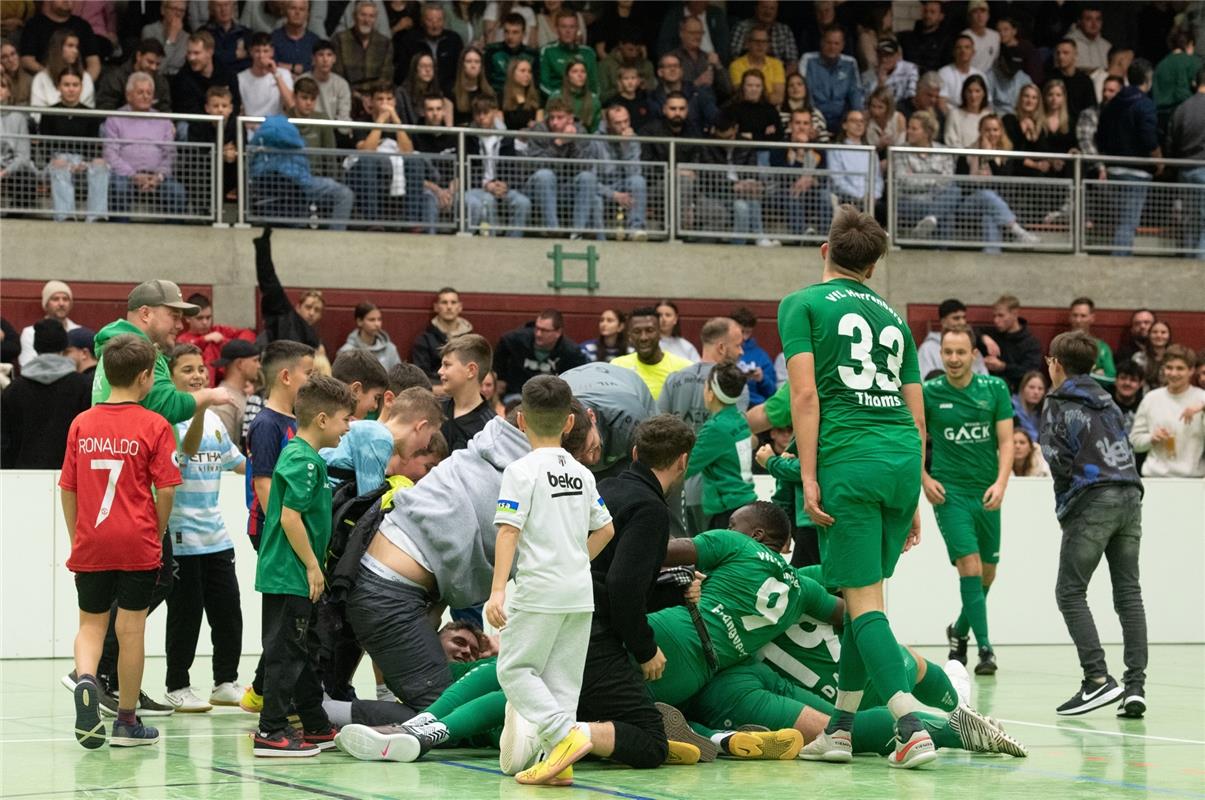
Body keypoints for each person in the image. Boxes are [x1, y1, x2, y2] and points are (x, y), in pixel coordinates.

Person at [779, 205, 935, 768]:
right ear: (872, 266)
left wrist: (810, 475)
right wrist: (913, 490)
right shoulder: (895, 319)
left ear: (826, 251)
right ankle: (839, 731)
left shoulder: (802, 304)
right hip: (899, 460)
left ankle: (910, 725)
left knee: (865, 606)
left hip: (851, 457)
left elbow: (804, 397)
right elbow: (918, 417)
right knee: (863, 602)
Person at [485, 375, 614, 785]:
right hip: (579, 592)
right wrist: (577, 561)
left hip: (539, 589)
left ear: (520, 420)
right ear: (570, 423)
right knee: (562, 682)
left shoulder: (521, 471)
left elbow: (509, 531)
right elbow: (606, 529)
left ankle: (563, 737)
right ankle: (559, 763)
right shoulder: (581, 473)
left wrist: (498, 590)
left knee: (514, 669)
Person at [62, 334, 180, 750]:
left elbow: (69, 487)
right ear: (146, 377)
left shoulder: (83, 422)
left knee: (91, 625)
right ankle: (127, 722)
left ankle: (88, 680)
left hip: (91, 541)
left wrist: (78, 534)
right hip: (137, 542)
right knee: (131, 629)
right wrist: (159, 530)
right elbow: (165, 489)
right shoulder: (155, 425)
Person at [1040, 331, 1147, 718]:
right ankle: (1135, 688)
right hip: (1131, 496)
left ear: (1056, 364)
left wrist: (1069, 508)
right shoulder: (1110, 400)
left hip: (1092, 499)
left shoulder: (1056, 402)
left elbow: (1057, 457)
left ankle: (1097, 680)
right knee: (1129, 595)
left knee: (1069, 592)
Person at [252, 375, 353, 757]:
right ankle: (271, 731)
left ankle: (313, 723)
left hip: (300, 576)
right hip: (290, 575)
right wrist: (313, 566)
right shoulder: (301, 461)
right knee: (286, 652)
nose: (348, 427)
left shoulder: (309, 459)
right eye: (345, 419)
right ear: (324, 419)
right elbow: (290, 518)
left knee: (304, 650)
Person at [923, 326, 1013, 677]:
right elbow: (915, 437)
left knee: (988, 574)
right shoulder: (929, 392)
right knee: (971, 568)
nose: (954, 359)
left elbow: (1006, 442)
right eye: (948, 352)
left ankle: (959, 630)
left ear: (974, 354)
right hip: (950, 494)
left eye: (961, 352)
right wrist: (924, 479)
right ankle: (985, 648)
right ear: (941, 353)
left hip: (987, 492)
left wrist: (1002, 483)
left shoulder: (995, 389)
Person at [161, 345, 246, 713]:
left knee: (228, 611)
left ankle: (225, 681)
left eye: (201, 369)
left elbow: (239, 463)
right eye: (188, 370)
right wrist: (199, 408)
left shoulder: (214, 422)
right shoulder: (166, 421)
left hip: (216, 536)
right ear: (170, 378)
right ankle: (177, 684)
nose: (197, 376)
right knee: (186, 614)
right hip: (181, 537)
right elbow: (187, 451)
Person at [0, 318, 92, 469]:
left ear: (35, 347)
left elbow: (4, 442)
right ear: (64, 346)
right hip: (70, 477)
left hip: (21, 480)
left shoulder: (13, 390)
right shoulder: (83, 386)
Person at [1096, 59, 1161, 257]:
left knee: (1120, 220)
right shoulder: (1145, 104)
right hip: (1136, 172)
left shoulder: (1113, 104)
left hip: (1114, 169)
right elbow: (1149, 137)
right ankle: (1120, 264)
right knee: (1128, 222)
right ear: (1147, 79)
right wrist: (1159, 160)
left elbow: (1101, 136)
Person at [684, 361, 757, 530]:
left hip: (727, 512)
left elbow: (686, 467)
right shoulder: (739, 419)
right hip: (746, 503)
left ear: (711, 394)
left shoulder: (715, 428)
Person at [103, 72, 187, 218]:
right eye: (140, 92)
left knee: (177, 192)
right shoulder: (115, 118)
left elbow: (171, 154)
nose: (146, 96)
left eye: (149, 93)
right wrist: (133, 175)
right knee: (118, 187)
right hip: (125, 176)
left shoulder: (163, 120)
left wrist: (158, 176)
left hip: (156, 177)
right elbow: (110, 154)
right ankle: (118, 233)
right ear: (128, 95)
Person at [1129, 345, 1205, 478]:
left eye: (1180, 368)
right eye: (1169, 368)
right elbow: (1134, 442)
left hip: (1193, 479)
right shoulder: (1151, 398)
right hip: (1155, 477)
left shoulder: (1201, 398)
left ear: (1191, 370)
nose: (1174, 373)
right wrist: (1151, 438)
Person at [254, 229, 325, 353]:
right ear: (298, 307)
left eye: (317, 310)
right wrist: (263, 248)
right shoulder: (285, 317)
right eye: (308, 307)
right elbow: (270, 282)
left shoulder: (315, 340)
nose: (312, 313)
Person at [493, 309, 587, 400]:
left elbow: (581, 376)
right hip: (517, 393)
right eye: (537, 328)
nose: (538, 334)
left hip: (552, 398)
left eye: (544, 330)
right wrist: (500, 377)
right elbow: (502, 347)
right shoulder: (517, 339)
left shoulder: (571, 352)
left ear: (558, 332)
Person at [611, 307, 692, 401]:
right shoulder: (618, 367)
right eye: (637, 332)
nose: (643, 338)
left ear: (660, 334)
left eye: (650, 330)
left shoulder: (684, 369)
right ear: (630, 337)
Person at [176, 293, 256, 388]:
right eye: (200, 318)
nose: (205, 322)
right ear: (187, 318)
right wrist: (204, 340)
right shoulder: (182, 340)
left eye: (208, 317)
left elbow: (249, 334)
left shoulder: (219, 330)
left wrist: (227, 343)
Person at [1167, 65, 1205, 254]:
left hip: (1184, 169)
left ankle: (1189, 261)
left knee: (1190, 220)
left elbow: (1171, 141)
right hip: (1203, 168)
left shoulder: (1182, 108)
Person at [438, 334, 497, 451]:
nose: (440, 371)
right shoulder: (435, 410)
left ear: (471, 370)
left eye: (447, 365)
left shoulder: (490, 428)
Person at [18, 0, 101, 81]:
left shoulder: (83, 25)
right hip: (45, 82)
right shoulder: (34, 24)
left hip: (78, 84)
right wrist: (51, 76)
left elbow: (94, 63)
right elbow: (27, 61)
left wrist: (85, 84)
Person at [800, 25, 862, 130]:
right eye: (828, 43)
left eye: (836, 43)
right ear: (821, 43)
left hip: (842, 119)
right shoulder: (808, 60)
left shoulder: (850, 63)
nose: (832, 47)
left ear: (842, 45)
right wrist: (814, 119)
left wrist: (856, 118)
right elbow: (806, 94)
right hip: (815, 117)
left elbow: (855, 93)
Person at [981, 295, 1044, 393]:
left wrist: (1003, 367)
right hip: (989, 390)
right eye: (994, 316)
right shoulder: (992, 334)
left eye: (1001, 315)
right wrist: (984, 338)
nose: (996, 320)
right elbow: (971, 332)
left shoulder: (1031, 343)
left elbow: (1030, 372)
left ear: (1015, 314)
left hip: (1017, 392)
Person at [411, 287, 475, 382]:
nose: (449, 307)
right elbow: (421, 377)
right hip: (435, 392)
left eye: (453, 302)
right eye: (444, 302)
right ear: (436, 307)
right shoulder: (424, 341)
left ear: (460, 307)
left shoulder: (471, 340)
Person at [332, 0, 394, 95]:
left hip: (376, 97)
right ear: (354, 16)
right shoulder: (339, 40)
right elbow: (338, 76)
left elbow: (386, 77)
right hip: (347, 95)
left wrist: (373, 97)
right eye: (363, 15)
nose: (367, 20)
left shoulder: (385, 43)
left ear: (375, 19)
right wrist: (357, 96)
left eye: (371, 16)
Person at [172, 31, 240, 116]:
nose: (191, 58)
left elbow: (235, 105)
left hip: (225, 122)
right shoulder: (182, 78)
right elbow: (187, 111)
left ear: (210, 52)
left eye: (196, 53)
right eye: (189, 53)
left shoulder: (228, 74)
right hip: (195, 124)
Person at [917, 299, 986, 381]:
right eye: (956, 318)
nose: (962, 322)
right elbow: (923, 381)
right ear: (943, 322)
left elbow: (984, 378)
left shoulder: (971, 346)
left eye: (964, 317)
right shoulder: (927, 349)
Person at [95, 38, 170, 113]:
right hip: (119, 123)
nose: (154, 67)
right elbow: (105, 108)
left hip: (153, 124)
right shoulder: (115, 77)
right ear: (138, 56)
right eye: (150, 62)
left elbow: (165, 111)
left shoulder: (161, 82)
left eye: (157, 64)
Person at [18, 279, 81, 368]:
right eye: (55, 299)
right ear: (46, 304)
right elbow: (28, 365)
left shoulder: (79, 332)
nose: (61, 303)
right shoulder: (30, 332)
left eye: (65, 299)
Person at [208, 339, 260, 445]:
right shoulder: (223, 401)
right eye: (255, 360)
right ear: (240, 364)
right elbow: (222, 447)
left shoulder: (240, 394)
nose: (259, 366)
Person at [29, 29, 95, 110]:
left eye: (77, 47)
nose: (75, 51)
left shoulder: (86, 78)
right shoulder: (41, 79)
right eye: (70, 46)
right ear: (58, 48)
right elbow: (36, 113)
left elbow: (88, 112)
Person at [237, 31, 294, 116]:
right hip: (250, 126)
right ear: (251, 52)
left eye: (265, 51)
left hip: (276, 126)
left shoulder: (284, 74)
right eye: (257, 51)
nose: (261, 56)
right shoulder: (240, 78)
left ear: (272, 52)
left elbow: (291, 104)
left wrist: (276, 74)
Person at [730, 307, 776, 407]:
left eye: (748, 332)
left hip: (754, 407)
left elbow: (772, 392)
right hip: (728, 405)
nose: (744, 337)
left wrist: (762, 379)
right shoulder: (724, 351)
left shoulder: (761, 356)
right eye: (741, 331)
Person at [337, 302, 402, 371]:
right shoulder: (346, 352)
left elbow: (398, 378)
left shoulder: (390, 349)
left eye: (379, 319)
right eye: (372, 320)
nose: (377, 324)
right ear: (359, 321)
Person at [729, 25, 784, 106]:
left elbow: (778, 98)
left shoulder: (777, 64)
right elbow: (742, 95)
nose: (760, 45)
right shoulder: (736, 65)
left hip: (771, 111)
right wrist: (768, 95)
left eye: (764, 42)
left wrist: (755, 94)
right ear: (748, 43)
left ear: (768, 45)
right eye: (756, 41)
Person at [484, 11, 537, 94]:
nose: (510, 37)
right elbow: (485, 82)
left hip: (523, 98)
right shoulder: (492, 51)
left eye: (515, 32)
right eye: (506, 32)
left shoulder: (532, 55)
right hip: (496, 97)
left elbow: (535, 85)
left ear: (523, 34)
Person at [300, 40, 353, 124]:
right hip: (307, 128)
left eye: (329, 55)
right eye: (321, 55)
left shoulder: (342, 84)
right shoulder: (302, 81)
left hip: (333, 130)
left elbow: (344, 116)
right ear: (313, 58)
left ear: (334, 59)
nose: (325, 59)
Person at [598, 27, 653, 106]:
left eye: (637, 50)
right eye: (630, 50)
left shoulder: (646, 65)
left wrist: (645, 86)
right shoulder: (605, 65)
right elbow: (601, 97)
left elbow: (653, 91)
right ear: (621, 45)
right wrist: (620, 89)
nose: (634, 54)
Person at [1068, 297, 1116, 386]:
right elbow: (1057, 375)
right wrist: (1094, 374)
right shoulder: (1060, 345)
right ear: (1070, 317)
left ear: (1092, 318)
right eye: (1075, 315)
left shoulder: (1102, 348)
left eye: (1083, 316)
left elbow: (1111, 378)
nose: (1078, 320)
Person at [1050, 39, 1098, 124]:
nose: (1061, 56)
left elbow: (1090, 110)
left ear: (1075, 55)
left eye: (1065, 53)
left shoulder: (1085, 81)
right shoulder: (1050, 80)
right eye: (1058, 53)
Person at [862, 38, 917, 107]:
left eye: (888, 55)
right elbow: (865, 104)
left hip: (903, 110)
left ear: (897, 55)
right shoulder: (867, 76)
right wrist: (880, 85)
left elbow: (912, 97)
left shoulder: (910, 69)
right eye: (880, 55)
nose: (883, 59)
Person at [937, 35, 985, 113]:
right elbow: (941, 103)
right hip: (951, 118)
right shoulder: (944, 73)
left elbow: (987, 103)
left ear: (973, 52)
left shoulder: (980, 75)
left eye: (967, 47)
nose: (963, 50)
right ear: (953, 52)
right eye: (959, 48)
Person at [202, 0, 252, 74]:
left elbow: (249, 62)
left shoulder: (245, 33)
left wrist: (222, 56)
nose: (223, 9)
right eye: (218, 6)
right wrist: (235, 55)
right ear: (212, 9)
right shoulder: (203, 33)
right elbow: (207, 60)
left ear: (233, 6)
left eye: (227, 4)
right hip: (213, 80)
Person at [271, 0, 319, 76]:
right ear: (285, 12)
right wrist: (295, 68)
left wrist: (288, 66)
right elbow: (271, 65)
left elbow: (318, 67)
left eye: (302, 9)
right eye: (293, 8)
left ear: (307, 14)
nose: (297, 13)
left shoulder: (315, 41)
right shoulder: (273, 38)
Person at [550, 57, 600, 132]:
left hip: (586, 141)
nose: (580, 75)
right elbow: (548, 125)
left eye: (583, 71)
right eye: (575, 71)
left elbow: (595, 131)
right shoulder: (556, 97)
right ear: (567, 76)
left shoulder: (594, 101)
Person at [943, 74, 990, 148]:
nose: (973, 96)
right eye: (969, 91)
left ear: (984, 93)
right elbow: (951, 142)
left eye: (977, 91)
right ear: (964, 93)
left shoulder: (988, 116)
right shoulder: (954, 114)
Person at [1066, 5, 1111, 73]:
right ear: (1079, 21)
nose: (1094, 24)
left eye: (1098, 19)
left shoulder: (1107, 46)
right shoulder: (1067, 43)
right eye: (1089, 19)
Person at [1112, 360, 1147, 437]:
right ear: (1115, 380)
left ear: (1141, 384)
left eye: (1133, 380)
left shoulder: (1145, 406)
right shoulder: (1105, 404)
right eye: (1123, 378)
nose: (1127, 383)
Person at [1011, 371, 1047, 442]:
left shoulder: (1043, 412)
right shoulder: (1011, 406)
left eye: (1040, 389)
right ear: (1023, 388)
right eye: (1031, 387)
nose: (1036, 392)